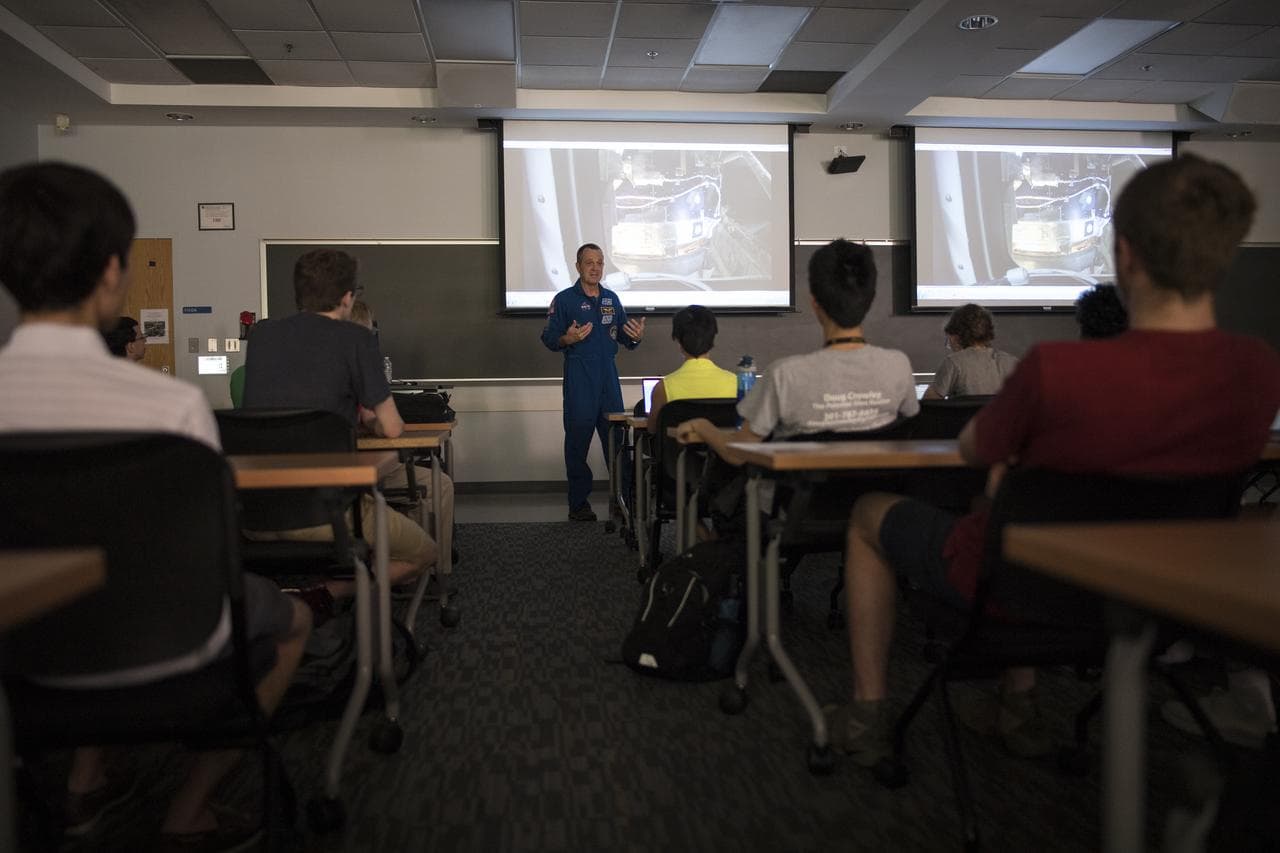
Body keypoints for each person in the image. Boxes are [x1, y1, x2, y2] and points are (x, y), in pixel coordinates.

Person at [827, 154, 1280, 769]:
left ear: (1121, 253)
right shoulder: (1256, 372)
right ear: (1225, 256)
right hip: (1158, 597)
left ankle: (866, 713)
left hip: (1022, 584)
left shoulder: (1057, 371)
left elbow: (972, 450)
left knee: (870, 514)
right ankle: (1017, 708)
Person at [0, 161, 310, 850]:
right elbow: (207, 549)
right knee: (294, 620)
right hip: (169, 644)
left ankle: (85, 781)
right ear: (112, 273)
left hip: (20, 655)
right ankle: (189, 810)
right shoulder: (171, 407)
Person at [242, 249, 441, 604]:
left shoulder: (261, 336)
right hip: (326, 511)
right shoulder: (356, 339)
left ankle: (299, 600)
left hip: (254, 514)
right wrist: (370, 420)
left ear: (299, 292)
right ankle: (325, 597)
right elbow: (393, 429)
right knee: (423, 552)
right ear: (348, 296)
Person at [676, 239, 918, 465]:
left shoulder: (785, 375)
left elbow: (738, 452)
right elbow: (912, 435)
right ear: (871, 298)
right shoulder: (899, 367)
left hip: (805, 505)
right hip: (878, 493)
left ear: (814, 303)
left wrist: (702, 425)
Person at [540, 242, 646, 521]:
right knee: (577, 442)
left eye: (599, 262)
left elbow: (624, 336)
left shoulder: (611, 298)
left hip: (608, 377)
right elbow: (549, 338)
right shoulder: (564, 300)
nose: (595, 267)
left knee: (618, 441)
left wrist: (635, 336)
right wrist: (568, 339)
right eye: (589, 262)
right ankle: (578, 505)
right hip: (579, 378)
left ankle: (623, 502)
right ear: (578, 266)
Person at [646, 304, 736, 432]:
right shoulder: (736, 384)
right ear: (713, 337)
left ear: (677, 339)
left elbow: (652, 430)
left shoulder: (663, 388)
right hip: (722, 451)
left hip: (678, 452)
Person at [922, 303, 1017, 399]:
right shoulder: (1011, 362)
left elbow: (929, 403)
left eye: (949, 339)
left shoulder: (953, 362)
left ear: (955, 337)